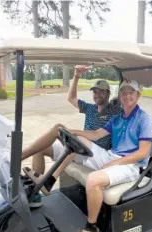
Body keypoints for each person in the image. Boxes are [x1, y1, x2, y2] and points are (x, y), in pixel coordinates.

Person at [23, 79, 152, 232]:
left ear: (138, 95)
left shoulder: (144, 119)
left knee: (93, 180)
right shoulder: (117, 118)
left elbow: (142, 153)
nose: (127, 95)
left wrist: (115, 162)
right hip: (111, 157)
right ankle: (48, 182)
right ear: (120, 94)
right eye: (124, 92)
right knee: (76, 142)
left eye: (132, 92)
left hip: (130, 165)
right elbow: (95, 134)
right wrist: (73, 132)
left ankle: (91, 227)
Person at [22, 65, 122, 208]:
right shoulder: (90, 108)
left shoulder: (115, 111)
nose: (97, 94)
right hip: (81, 149)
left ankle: (48, 180)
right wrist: (76, 76)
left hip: (95, 155)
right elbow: (71, 97)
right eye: (95, 91)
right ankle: (35, 193)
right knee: (44, 146)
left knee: (74, 141)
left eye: (101, 92)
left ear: (108, 93)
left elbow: (132, 113)